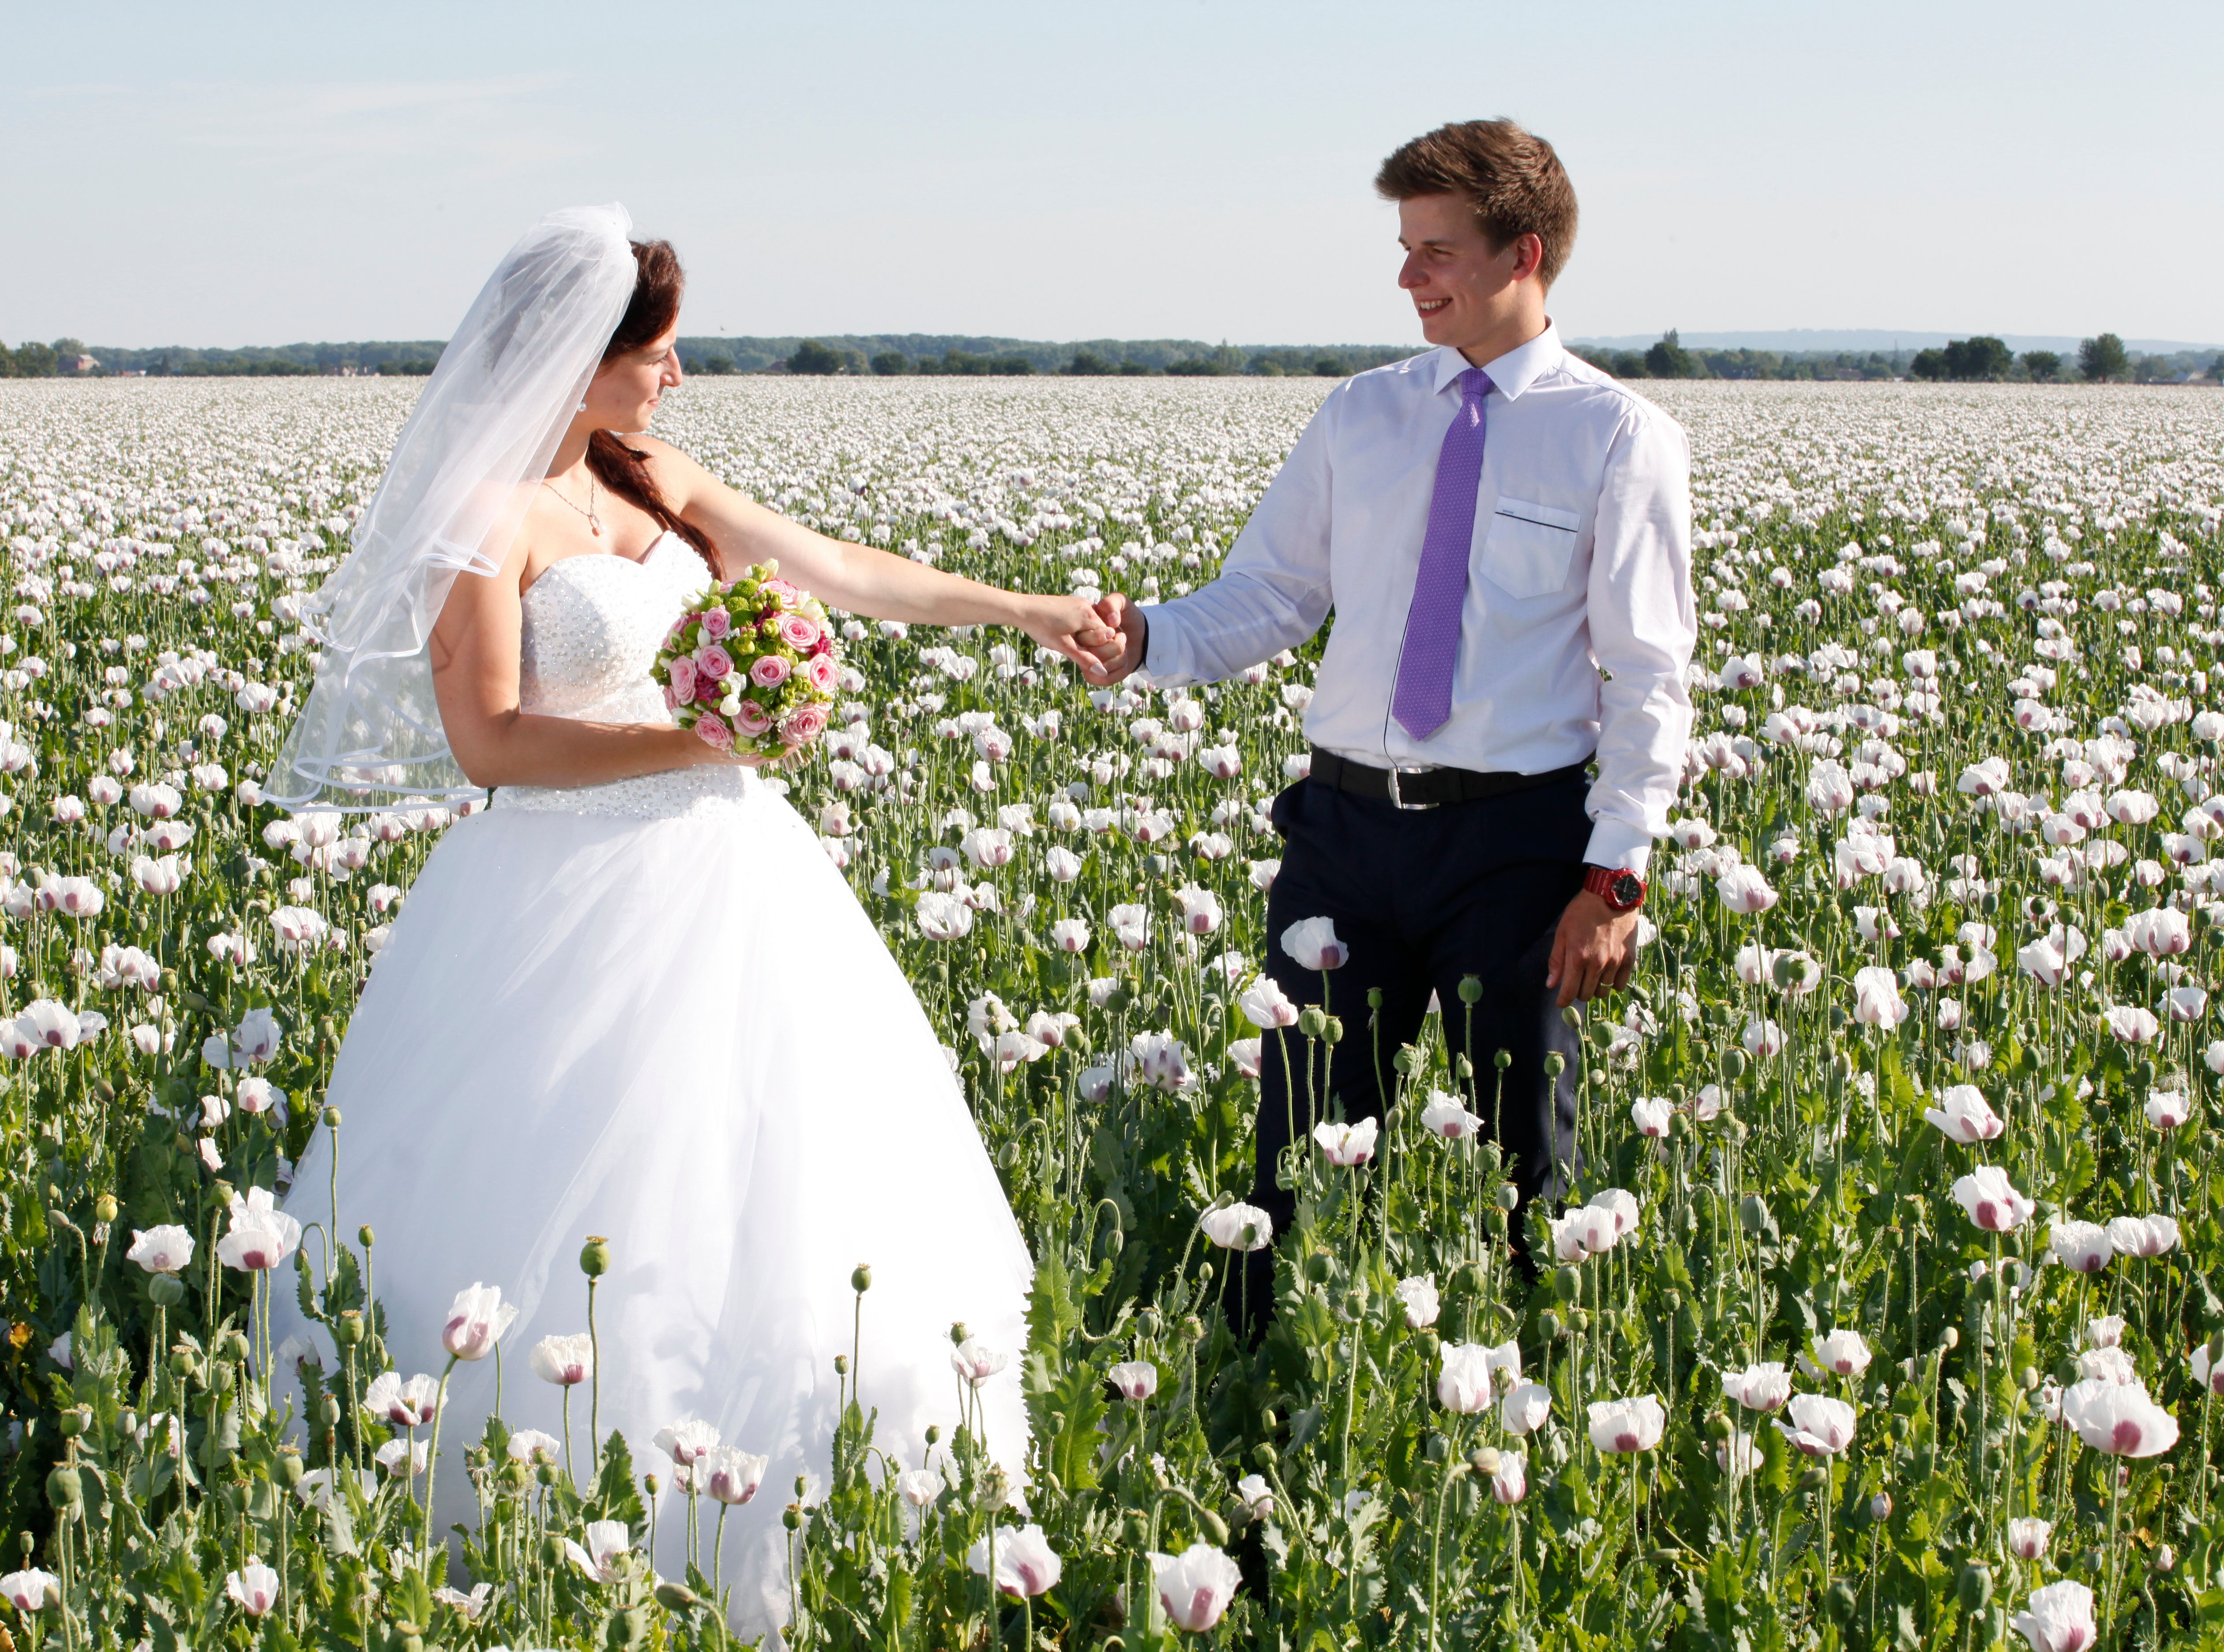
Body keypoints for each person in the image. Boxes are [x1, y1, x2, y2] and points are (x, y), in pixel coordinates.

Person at [266, 206, 1113, 1639]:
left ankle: (820, 1509)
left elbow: (836, 569)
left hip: (732, 871)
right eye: (656, 351)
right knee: (581, 1199)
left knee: (779, 1181)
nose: (678, 374)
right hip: (557, 895)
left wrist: (1023, 610)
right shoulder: (482, 519)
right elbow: (490, 741)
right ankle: (563, 1522)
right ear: (574, 353)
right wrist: (700, 741)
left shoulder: (651, 478)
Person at [1082, 120, 1695, 1330]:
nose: (1408, 276)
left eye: (1436, 251)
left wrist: (1615, 877)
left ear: (1524, 253)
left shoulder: (1617, 437)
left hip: (1518, 849)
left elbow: (1648, 676)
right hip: (1346, 835)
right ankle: (1266, 1394)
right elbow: (1273, 595)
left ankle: (1536, 1392)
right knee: (1297, 1152)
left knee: (1527, 1164)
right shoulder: (1361, 417)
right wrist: (1147, 637)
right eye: (1406, 247)